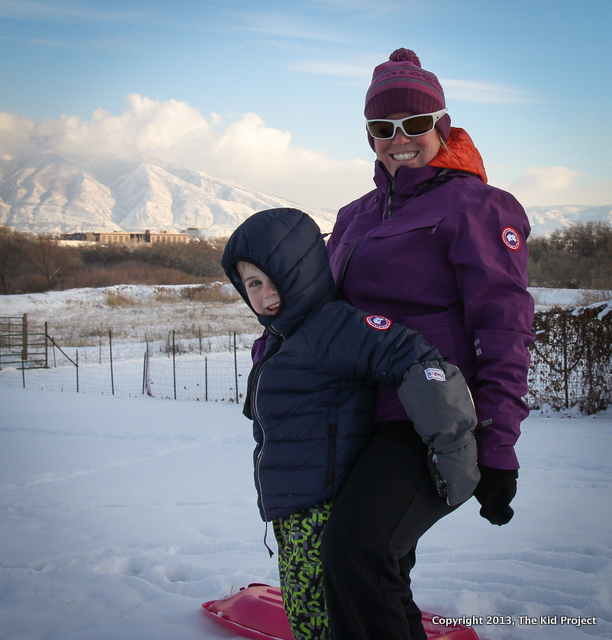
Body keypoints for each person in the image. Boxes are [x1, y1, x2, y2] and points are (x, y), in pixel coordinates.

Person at [321, 48, 535, 639]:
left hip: (427, 418)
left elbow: (505, 328)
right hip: (354, 414)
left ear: (441, 125)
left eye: (415, 124)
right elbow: (321, 314)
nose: (399, 140)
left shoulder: (479, 207)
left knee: (356, 551)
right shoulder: (353, 217)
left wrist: (498, 447)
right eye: (381, 129)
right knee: (381, 562)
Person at [221, 207, 480, 640]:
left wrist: (451, 443)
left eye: (273, 279)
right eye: (252, 284)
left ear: (302, 271)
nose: (265, 296)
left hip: (324, 504)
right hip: (291, 508)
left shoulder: (332, 326)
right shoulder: (278, 338)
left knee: (331, 615)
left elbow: (413, 357)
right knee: (307, 609)